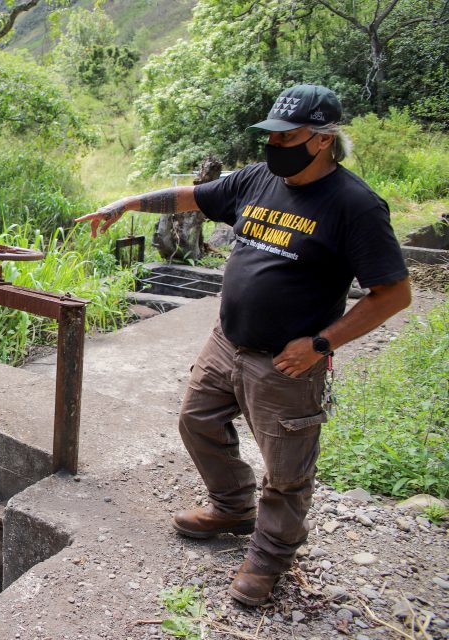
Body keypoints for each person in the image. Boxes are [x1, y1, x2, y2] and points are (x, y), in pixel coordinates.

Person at [75, 84, 411, 606]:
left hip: (287, 362)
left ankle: (269, 558)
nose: (275, 146)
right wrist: (127, 204)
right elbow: (198, 197)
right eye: (270, 136)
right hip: (227, 341)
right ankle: (232, 505)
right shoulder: (259, 178)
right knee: (197, 420)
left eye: (288, 136)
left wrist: (320, 345)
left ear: (322, 140)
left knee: (286, 470)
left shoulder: (355, 206)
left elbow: (394, 294)